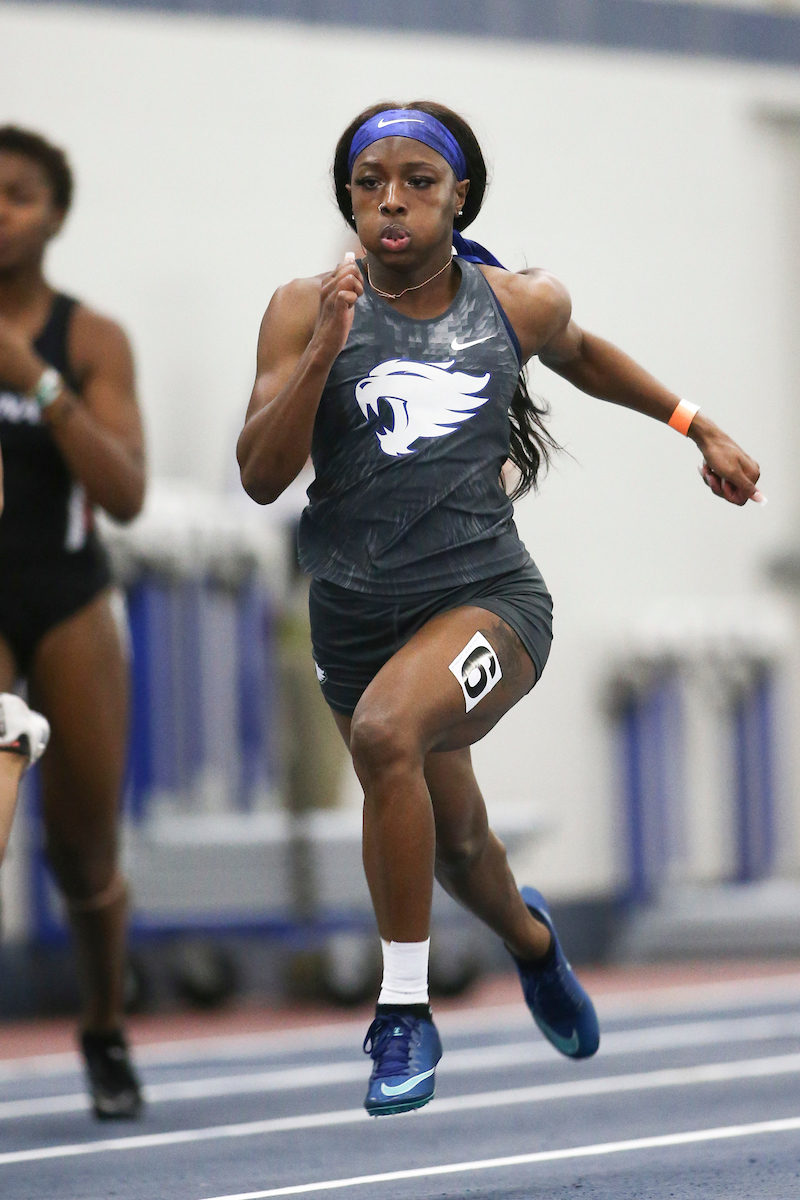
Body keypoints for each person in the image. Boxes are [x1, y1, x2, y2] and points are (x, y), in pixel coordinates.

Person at [237, 101, 761, 1117]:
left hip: (488, 602)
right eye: (368, 183)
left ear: (457, 196)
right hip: (354, 619)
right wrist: (323, 351)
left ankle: (402, 1014)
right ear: (348, 197)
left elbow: (582, 349)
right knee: (460, 847)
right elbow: (261, 478)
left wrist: (696, 427)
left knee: (389, 738)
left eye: (417, 183)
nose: (390, 201)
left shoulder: (513, 304)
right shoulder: (303, 308)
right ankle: (530, 943)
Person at [0, 126, 145, 1118]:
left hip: (68, 600)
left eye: (15, 194)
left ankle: (102, 1025)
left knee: (83, 855)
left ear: (54, 216)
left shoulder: (88, 339)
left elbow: (126, 492)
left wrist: (35, 380)